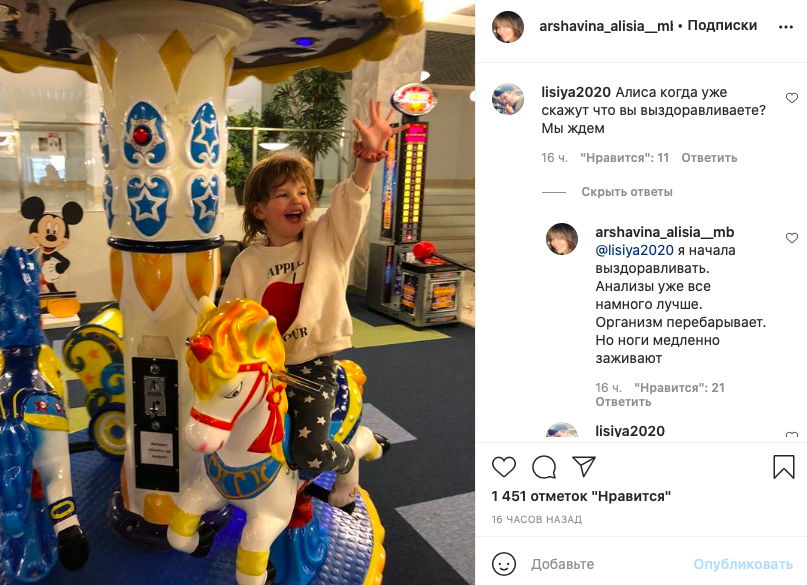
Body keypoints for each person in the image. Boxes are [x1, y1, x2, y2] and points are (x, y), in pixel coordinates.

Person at [220, 100, 404, 508]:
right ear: (259, 210)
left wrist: (368, 160)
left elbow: (351, 202)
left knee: (308, 453)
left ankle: (353, 453)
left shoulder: (326, 238)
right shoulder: (249, 262)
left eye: (302, 192)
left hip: (312, 364)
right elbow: (231, 318)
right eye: (283, 194)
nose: (297, 199)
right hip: (265, 370)